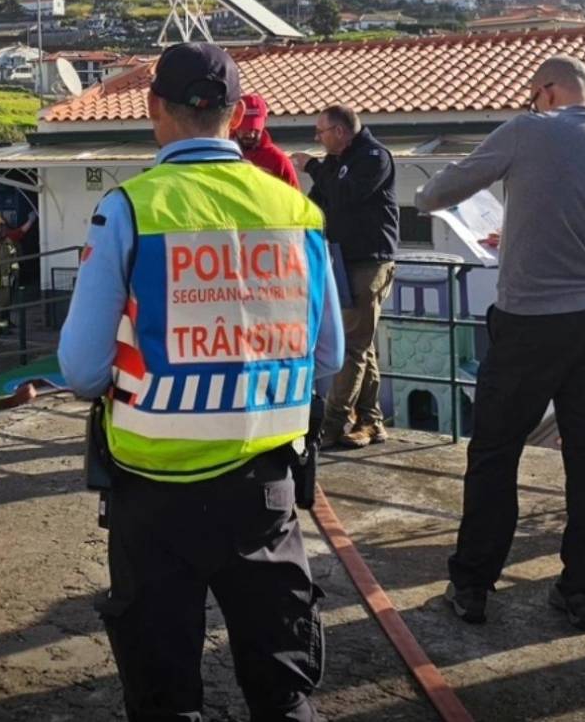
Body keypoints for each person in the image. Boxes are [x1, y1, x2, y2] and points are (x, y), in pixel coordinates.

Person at [59, 42, 344, 722]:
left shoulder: (129, 206)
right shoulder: (295, 209)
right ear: (238, 112)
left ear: (154, 108)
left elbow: (81, 370)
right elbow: (326, 355)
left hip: (153, 490)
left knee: (165, 693)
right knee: (281, 691)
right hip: (264, 486)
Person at [414, 55, 585, 632]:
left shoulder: (527, 129)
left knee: (495, 454)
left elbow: (431, 198)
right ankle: (580, 594)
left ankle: (471, 587)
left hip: (528, 323)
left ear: (546, 91)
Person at [293, 106, 399, 448]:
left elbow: (346, 195)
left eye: (321, 131)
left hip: (369, 261)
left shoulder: (373, 157)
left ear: (339, 131)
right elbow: (320, 202)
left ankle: (334, 422)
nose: (317, 138)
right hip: (342, 260)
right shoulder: (335, 164)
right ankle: (371, 421)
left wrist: (312, 167)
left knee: (352, 344)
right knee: (361, 343)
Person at [233, 93, 301, 188]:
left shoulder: (279, 161)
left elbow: (295, 199)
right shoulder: (220, 153)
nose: (251, 135)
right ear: (235, 123)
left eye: (256, 130)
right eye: (245, 129)